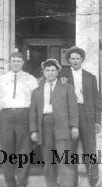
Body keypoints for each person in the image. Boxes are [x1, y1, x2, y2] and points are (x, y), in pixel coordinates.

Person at [29, 58, 79, 187]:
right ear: (44, 72)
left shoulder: (67, 87)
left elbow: (73, 108)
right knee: (48, 161)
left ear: (57, 72)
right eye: (47, 70)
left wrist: (74, 126)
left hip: (62, 126)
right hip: (44, 126)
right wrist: (34, 130)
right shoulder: (37, 91)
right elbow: (33, 112)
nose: (50, 73)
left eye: (53, 70)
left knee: (64, 160)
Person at [59, 46, 101, 187]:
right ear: (69, 60)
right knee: (71, 153)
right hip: (71, 115)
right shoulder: (62, 76)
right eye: (73, 58)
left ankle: (94, 183)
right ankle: (72, 184)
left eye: (78, 58)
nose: (75, 61)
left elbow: (96, 100)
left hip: (87, 115)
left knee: (90, 152)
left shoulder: (90, 77)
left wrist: (97, 121)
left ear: (82, 59)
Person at [0, 51, 39, 187]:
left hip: (24, 115)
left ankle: (22, 183)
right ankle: (10, 183)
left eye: (18, 61)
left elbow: (35, 100)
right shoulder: (2, 78)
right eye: (13, 61)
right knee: (7, 150)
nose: (16, 63)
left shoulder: (30, 79)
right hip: (6, 115)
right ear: (10, 62)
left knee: (24, 151)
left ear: (23, 63)